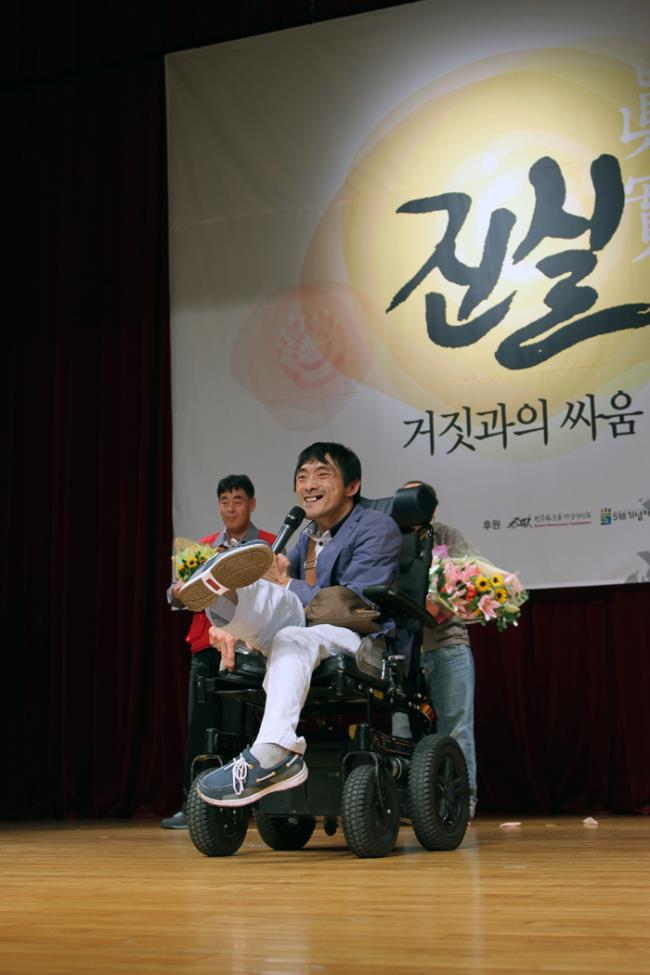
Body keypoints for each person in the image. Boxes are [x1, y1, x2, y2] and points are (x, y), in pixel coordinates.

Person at [193, 442, 403, 808]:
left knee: (289, 630)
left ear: (352, 486)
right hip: (309, 631)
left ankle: (275, 751)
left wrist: (286, 583)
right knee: (268, 601)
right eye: (302, 477)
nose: (309, 485)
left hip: (359, 639)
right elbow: (282, 596)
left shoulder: (376, 526)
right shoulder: (305, 535)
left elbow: (356, 604)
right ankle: (224, 606)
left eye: (322, 474)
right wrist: (243, 624)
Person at [161, 474, 275, 829]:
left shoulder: (268, 545)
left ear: (251, 504)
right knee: (201, 726)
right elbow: (173, 595)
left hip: (248, 647)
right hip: (206, 646)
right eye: (224, 501)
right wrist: (181, 590)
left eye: (237, 500)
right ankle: (194, 802)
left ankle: (251, 804)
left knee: (244, 726)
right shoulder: (204, 547)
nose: (230, 508)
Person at [402, 480, 478, 818]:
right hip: (404, 652)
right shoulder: (391, 540)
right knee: (401, 731)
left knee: (456, 729)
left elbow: (460, 585)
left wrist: (426, 612)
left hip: (447, 645)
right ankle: (406, 803)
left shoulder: (448, 536)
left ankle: (461, 803)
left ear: (432, 508)